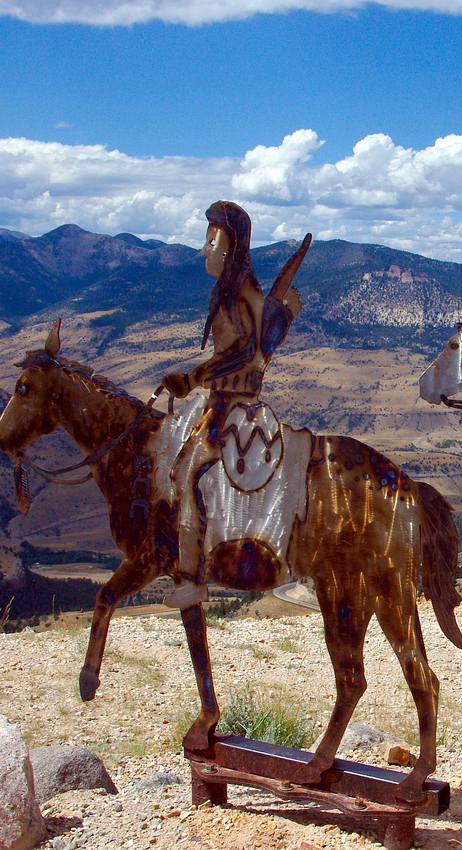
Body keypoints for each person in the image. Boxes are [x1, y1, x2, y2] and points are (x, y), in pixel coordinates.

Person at [161, 201, 311, 609]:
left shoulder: (242, 289)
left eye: (213, 238)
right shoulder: (234, 287)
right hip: (221, 400)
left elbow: (243, 352)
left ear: (230, 243)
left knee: (187, 468)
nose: (206, 247)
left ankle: (193, 575)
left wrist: (191, 378)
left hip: (232, 405)